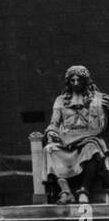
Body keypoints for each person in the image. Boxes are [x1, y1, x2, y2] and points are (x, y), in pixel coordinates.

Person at [43, 64, 107, 203]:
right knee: (49, 149)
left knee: (92, 147)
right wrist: (52, 132)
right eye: (73, 80)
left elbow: (101, 126)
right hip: (67, 141)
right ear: (68, 82)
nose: (76, 83)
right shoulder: (61, 100)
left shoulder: (98, 98)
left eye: (79, 80)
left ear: (85, 81)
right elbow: (54, 123)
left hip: (89, 138)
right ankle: (66, 191)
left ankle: (84, 190)